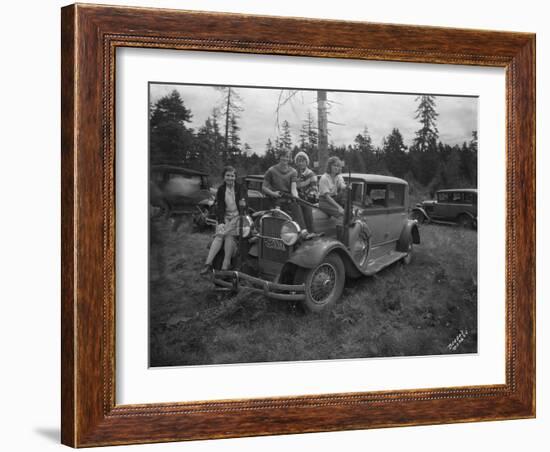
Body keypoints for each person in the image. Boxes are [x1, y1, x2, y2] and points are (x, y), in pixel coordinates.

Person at [201, 166, 247, 275]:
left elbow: (244, 207)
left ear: (235, 177)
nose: (230, 178)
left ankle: (224, 266)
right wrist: (221, 222)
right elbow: (220, 208)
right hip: (225, 217)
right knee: (220, 236)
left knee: (226, 235)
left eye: (232, 175)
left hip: (238, 218)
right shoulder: (221, 190)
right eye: (228, 175)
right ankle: (209, 264)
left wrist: (234, 221)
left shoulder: (241, 188)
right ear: (224, 177)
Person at [262, 148, 307, 231]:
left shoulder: (293, 172)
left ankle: (303, 231)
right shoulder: (271, 170)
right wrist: (273, 194)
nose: (285, 158)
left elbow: (293, 188)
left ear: (289, 158)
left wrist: (295, 197)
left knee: (297, 206)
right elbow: (264, 187)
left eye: (287, 157)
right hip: (275, 199)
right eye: (283, 156)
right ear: (279, 157)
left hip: (287, 198)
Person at [294, 151, 318, 232]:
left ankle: (309, 231)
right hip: (296, 198)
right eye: (298, 161)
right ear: (296, 162)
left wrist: (307, 195)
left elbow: (314, 189)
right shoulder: (294, 173)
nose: (300, 163)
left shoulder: (311, 174)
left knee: (306, 209)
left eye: (302, 161)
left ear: (306, 162)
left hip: (307, 198)